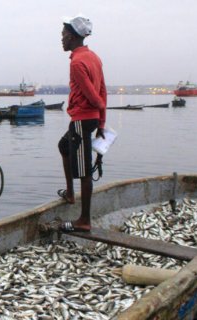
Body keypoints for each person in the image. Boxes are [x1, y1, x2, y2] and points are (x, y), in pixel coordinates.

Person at [57, 14, 107, 232]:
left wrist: (99, 110)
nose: (61, 39)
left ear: (73, 36)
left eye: (63, 35)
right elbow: (103, 90)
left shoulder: (77, 63)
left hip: (82, 119)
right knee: (63, 146)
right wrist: (101, 123)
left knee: (85, 171)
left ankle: (84, 220)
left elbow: (94, 97)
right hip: (90, 118)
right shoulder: (93, 57)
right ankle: (70, 193)